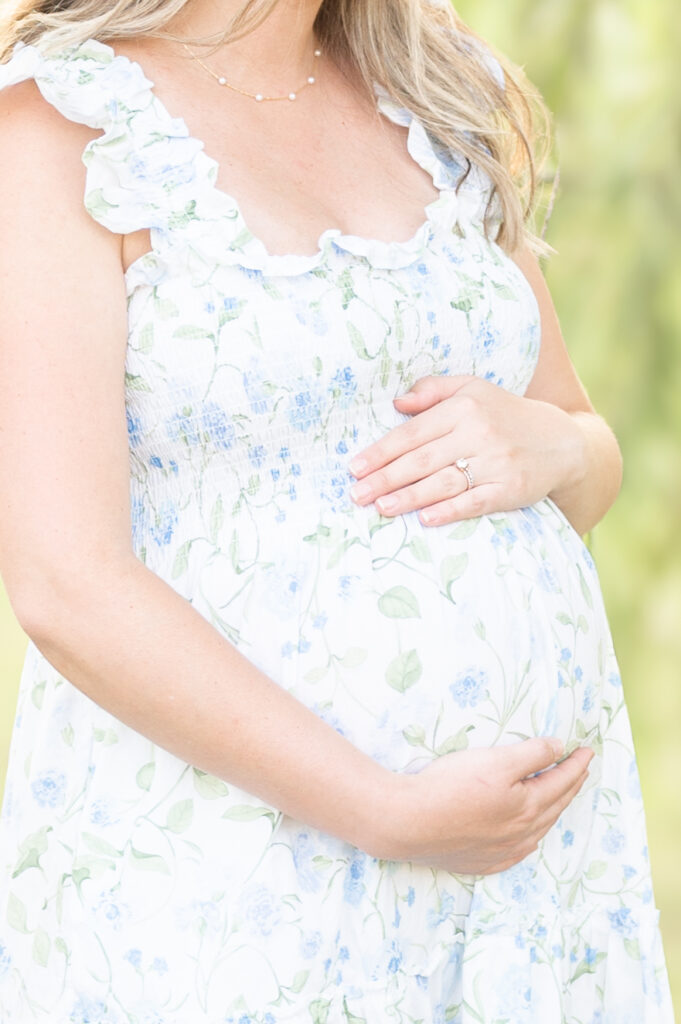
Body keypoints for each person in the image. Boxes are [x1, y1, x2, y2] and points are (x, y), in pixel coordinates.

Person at [0, 0, 673, 1020]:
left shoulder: (442, 95)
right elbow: (66, 584)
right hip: (233, 882)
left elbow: (584, 446)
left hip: (527, 897)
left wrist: (553, 445)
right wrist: (387, 809)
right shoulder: (57, 129)